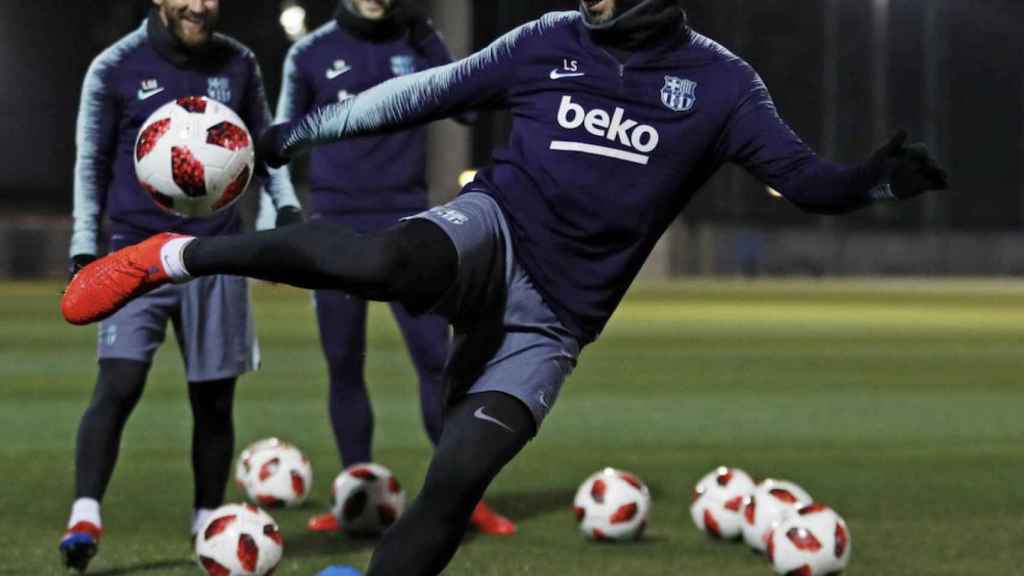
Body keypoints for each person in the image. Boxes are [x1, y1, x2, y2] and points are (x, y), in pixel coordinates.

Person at [62, 0, 949, 574]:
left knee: (452, 488)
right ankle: (175, 257)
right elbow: (427, 93)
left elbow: (805, 180)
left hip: (554, 324)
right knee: (389, 265)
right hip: (492, 229)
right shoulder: (549, 40)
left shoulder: (721, 87)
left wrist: (876, 180)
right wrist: (299, 132)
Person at [59, 0, 302, 572]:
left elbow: (264, 146)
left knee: (214, 398)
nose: (199, 5)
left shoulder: (239, 63)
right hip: (134, 257)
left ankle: (207, 522)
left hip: (213, 253)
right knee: (117, 384)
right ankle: (85, 513)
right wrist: (83, 248)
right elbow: (90, 161)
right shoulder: (114, 66)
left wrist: (286, 208)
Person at [263, 0, 513, 535]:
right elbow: (279, 140)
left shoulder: (415, 43)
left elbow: (468, 108)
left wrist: (431, 44)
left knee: (435, 362)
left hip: (409, 225)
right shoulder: (311, 52)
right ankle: (354, 494)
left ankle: (463, 497)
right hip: (335, 227)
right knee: (345, 361)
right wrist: (278, 227)